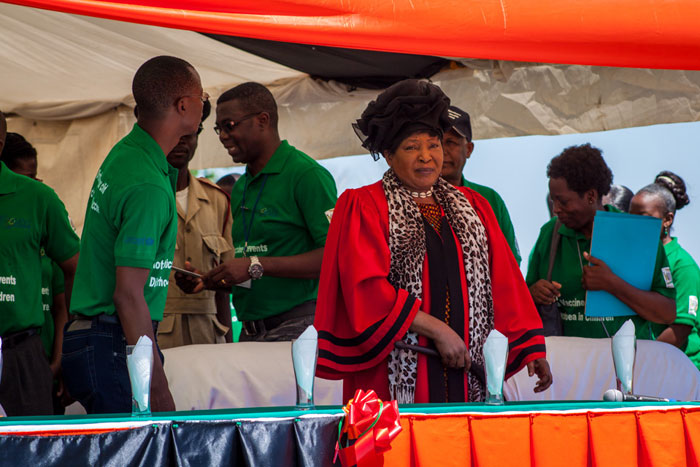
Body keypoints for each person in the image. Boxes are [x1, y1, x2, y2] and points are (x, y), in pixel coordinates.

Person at [314, 80, 551, 404]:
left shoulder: (474, 205)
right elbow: (365, 288)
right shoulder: (365, 206)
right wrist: (438, 331)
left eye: (434, 145)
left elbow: (505, 281)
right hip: (395, 369)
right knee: (400, 451)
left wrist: (530, 347)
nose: (426, 157)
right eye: (412, 147)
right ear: (387, 154)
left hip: (468, 366)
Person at [62, 56, 205, 414]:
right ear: (183, 105)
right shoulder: (146, 182)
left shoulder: (128, 156)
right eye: (201, 96)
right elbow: (127, 295)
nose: (205, 103)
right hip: (114, 340)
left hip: (100, 337)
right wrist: (156, 386)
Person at [176, 82, 337, 342]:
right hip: (251, 331)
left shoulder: (306, 175)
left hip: (297, 328)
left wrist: (254, 265)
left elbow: (335, 257)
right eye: (218, 129)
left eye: (229, 126)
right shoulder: (241, 188)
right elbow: (254, 267)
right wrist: (213, 280)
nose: (222, 137)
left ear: (263, 120)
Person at [526, 144, 676, 339]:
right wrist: (534, 293)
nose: (556, 209)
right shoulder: (550, 234)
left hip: (627, 364)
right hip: (567, 363)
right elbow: (522, 298)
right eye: (553, 201)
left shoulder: (638, 235)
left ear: (591, 196)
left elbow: (667, 313)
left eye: (563, 201)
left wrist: (611, 283)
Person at [0, 124, 80, 416]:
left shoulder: (38, 198)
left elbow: (75, 269)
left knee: (31, 453)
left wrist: (68, 355)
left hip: (21, 354)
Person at [158, 101, 234, 349]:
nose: (182, 141)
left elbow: (226, 280)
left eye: (190, 133)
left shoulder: (217, 200)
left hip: (209, 336)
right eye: (176, 133)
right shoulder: (143, 195)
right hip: (157, 336)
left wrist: (229, 347)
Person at [629, 172, 700, 368]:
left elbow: (681, 328)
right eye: (630, 217)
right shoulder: (634, 259)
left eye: (642, 217)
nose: (634, 224)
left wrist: (641, 362)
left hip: (679, 369)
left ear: (667, 220)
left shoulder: (682, 265)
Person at [440, 105, 521, 264]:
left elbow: (510, 260)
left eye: (451, 142)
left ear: (469, 149)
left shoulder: (489, 199)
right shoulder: (414, 198)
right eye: (436, 143)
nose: (442, 151)